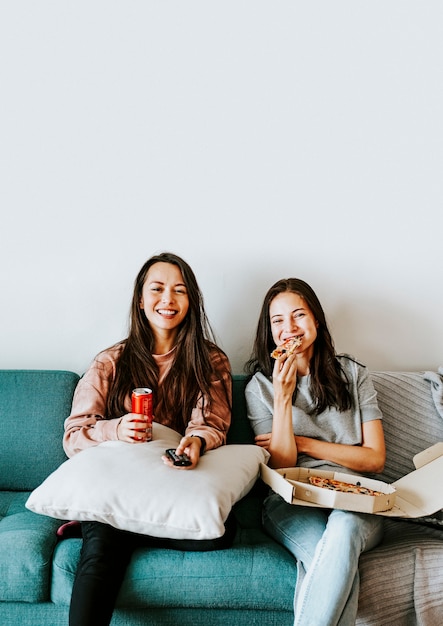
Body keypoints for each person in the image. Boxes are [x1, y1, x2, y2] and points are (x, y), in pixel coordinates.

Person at [64, 252, 233, 626]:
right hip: (115, 484)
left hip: (171, 486)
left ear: (192, 301)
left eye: (179, 291)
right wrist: (115, 429)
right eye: (157, 289)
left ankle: (126, 526)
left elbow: (212, 423)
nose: (168, 300)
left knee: (222, 533)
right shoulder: (110, 362)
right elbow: (74, 436)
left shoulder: (211, 361)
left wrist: (196, 443)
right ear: (141, 299)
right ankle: (117, 525)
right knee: (102, 548)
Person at [245, 278, 386, 626]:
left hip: (356, 497)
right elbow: (281, 465)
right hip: (292, 501)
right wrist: (282, 397)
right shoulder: (260, 388)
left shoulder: (353, 375)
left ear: (316, 321)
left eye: (298, 316)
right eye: (278, 321)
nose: (289, 328)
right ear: (269, 331)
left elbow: (374, 459)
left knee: (344, 531)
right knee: (338, 567)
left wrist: (305, 442)